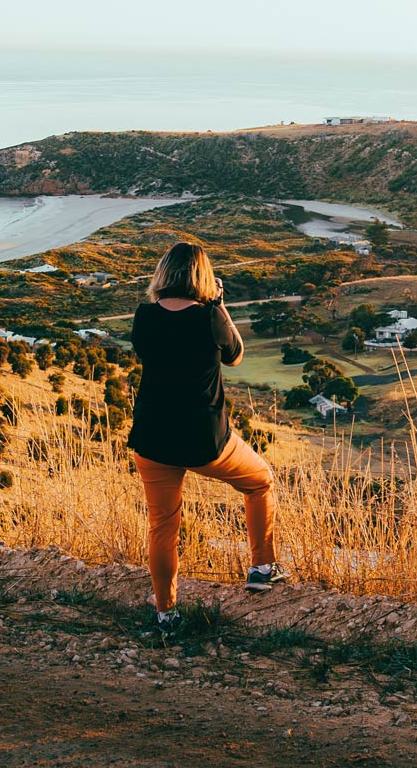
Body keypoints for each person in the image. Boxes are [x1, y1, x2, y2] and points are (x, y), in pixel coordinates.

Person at [127, 241, 285, 633]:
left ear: (163, 274)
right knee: (260, 481)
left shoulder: (144, 316)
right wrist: (218, 304)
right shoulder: (209, 317)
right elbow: (235, 355)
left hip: (152, 436)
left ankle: (166, 615)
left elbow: (148, 352)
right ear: (202, 277)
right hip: (204, 439)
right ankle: (262, 567)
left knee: (163, 526)